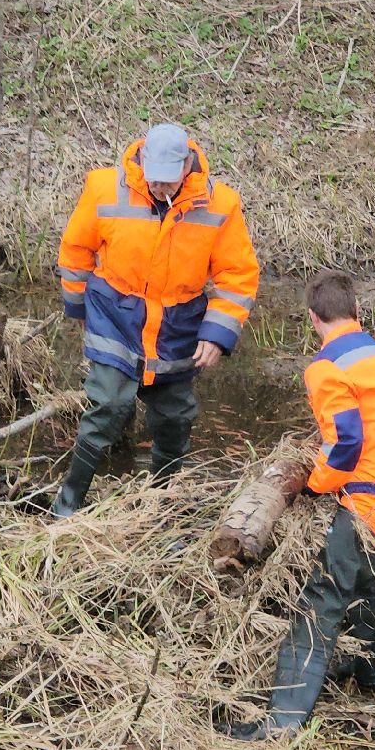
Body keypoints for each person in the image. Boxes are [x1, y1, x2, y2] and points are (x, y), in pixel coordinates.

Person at [230, 271, 375, 740]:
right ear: (357, 313)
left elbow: (345, 444)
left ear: (312, 319)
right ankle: (366, 671)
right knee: (362, 577)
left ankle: (281, 724)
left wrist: (315, 485)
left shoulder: (326, 368)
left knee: (320, 600)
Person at [51, 123, 261, 517]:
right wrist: (78, 309)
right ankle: (68, 504)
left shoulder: (220, 204)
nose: (161, 189)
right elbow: (76, 251)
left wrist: (217, 334)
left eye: (169, 181)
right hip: (117, 314)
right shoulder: (104, 188)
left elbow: (238, 275)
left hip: (178, 323)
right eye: (155, 181)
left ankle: (159, 502)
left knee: (175, 416)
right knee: (109, 404)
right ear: (142, 161)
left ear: (187, 167)